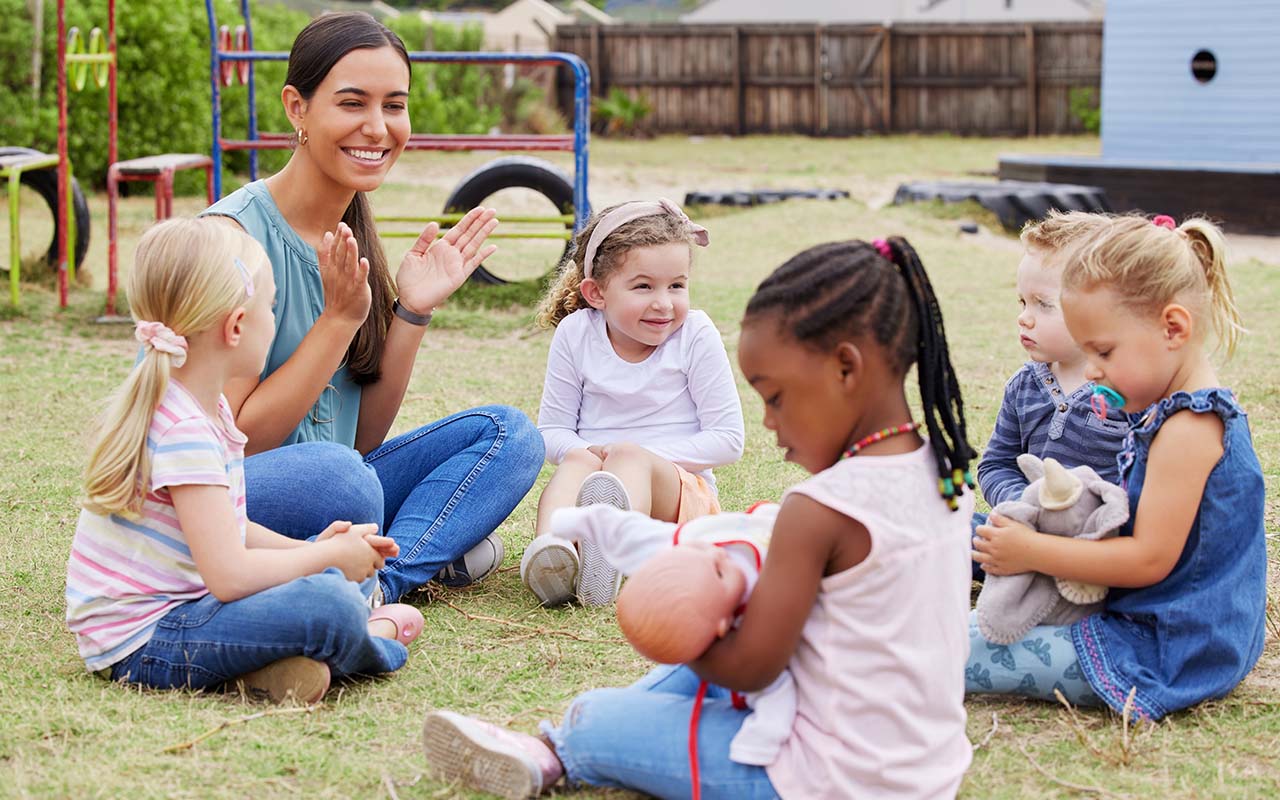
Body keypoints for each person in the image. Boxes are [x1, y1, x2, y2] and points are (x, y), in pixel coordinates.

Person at [423, 236, 978, 800]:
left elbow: (751, 668)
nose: (767, 422)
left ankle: (557, 753)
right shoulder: (947, 472)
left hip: (826, 777)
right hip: (924, 763)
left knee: (597, 716)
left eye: (776, 397)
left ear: (845, 369)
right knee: (684, 685)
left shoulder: (821, 511)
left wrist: (680, 622)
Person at [200, 12, 544, 605]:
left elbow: (360, 438)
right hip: (228, 498)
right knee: (342, 480)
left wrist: (411, 312)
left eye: (394, 105)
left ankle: (379, 580)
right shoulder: (231, 241)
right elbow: (237, 447)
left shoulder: (350, 229)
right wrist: (336, 322)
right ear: (297, 108)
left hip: (337, 486)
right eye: (353, 103)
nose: (378, 128)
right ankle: (407, 551)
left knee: (508, 435)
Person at [65, 218, 425, 705]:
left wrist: (315, 546)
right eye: (270, 309)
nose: (274, 320)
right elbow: (230, 575)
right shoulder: (183, 429)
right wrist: (323, 559)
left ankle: (269, 670)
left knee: (330, 578)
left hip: (192, 608)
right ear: (236, 327)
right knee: (332, 604)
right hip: (147, 642)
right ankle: (373, 641)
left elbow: (233, 528)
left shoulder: (205, 408)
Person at [969, 214, 1266, 721]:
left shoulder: (1189, 430)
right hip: (1149, 621)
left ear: (1173, 328)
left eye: (1103, 352)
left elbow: (1148, 560)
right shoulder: (1171, 410)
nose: (1092, 372)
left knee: (949, 650)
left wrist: (1031, 549)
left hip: (1164, 648)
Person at [519, 199, 744, 606]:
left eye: (677, 285)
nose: (664, 302)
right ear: (597, 293)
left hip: (679, 500)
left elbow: (728, 440)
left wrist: (633, 454)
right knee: (578, 461)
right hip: (594, 477)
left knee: (629, 458)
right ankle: (555, 554)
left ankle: (614, 556)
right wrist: (592, 453)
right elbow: (551, 433)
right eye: (643, 286)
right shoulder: (575, 334)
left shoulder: (695, 335)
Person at [551, 502, 794, 766]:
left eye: (702, 555)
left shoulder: (691, 548)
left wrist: (582, 521)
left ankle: (565, 745)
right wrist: (761, 741)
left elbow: (630, 533)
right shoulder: (757, 619)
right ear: (723, 626)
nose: (717, 556)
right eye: (719, 573)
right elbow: (775, 691)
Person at [972, 211, 1129, 580]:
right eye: (1022, 302)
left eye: (1043, 305)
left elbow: (1139, 485)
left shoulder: (1127, 393)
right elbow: (996, 464)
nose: (1024, 318)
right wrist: (1025, 508)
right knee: (954, 532)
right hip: (1025, 529)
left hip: (1096, 545)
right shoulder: (1024, 386)